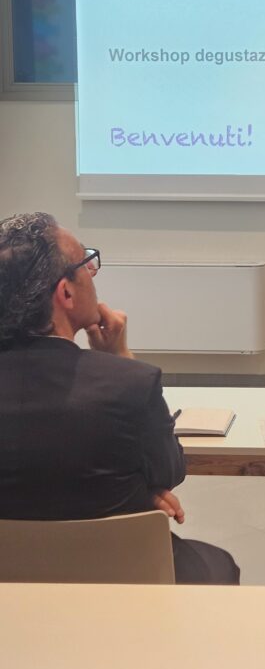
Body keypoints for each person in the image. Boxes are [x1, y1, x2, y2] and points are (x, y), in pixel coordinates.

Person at [0, 212, 240, 585]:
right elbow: (169, 470)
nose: (93, 273)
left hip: (11, 589)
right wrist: (141, 494)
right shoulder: (128, 384)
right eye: (85, 264)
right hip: (117, 579)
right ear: (66, 293)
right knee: (218, 564)